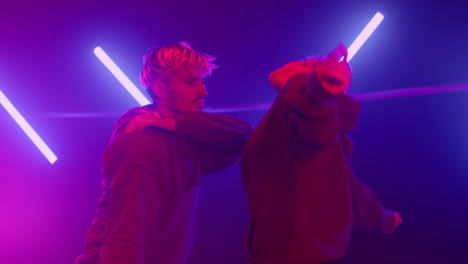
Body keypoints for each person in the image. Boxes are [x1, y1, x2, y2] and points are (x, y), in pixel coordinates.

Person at [76, 42, 253, 264]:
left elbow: (244, 135)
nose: (203, 90)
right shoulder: (144, 144)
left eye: (202, 81)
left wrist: (175, 123)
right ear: (160, 88)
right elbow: (125, 235)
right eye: (191, 82)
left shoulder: (182, 145)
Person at [240, 44, 402, 264]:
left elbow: (346, 187)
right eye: (312, 66)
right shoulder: (286, 123)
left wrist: (383, 218)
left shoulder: (317, 133)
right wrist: (321, 85)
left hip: (304, 255)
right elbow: (303, 98)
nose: (319, 66)